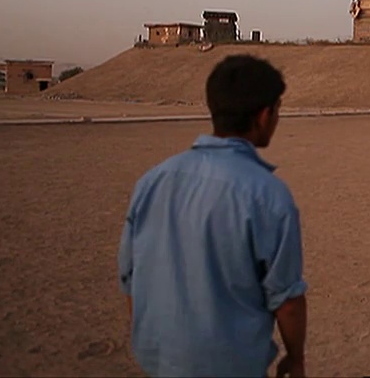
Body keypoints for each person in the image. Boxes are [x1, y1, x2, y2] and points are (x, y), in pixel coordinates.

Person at [118, 55, 308, 378]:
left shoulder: (153, 180)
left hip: (159, 362)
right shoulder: (269, 195)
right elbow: (287, 301)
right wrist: (295, 357)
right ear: (264, 115)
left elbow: (131, 277)